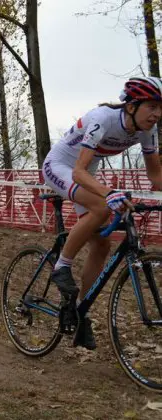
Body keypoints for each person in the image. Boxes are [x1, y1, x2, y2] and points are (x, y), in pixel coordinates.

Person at [43, 77, 162, 350]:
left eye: (160, 108)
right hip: (61, 167)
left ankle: (80, 310)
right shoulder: (103, 118)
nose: (157, 114)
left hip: (85, 174)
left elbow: (155, 175)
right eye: (152, 106)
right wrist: (108, 193)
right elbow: (78, 172)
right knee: (100, 207)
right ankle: (62, 266)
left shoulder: (147, 130)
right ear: (132, 106)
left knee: (102, 243)